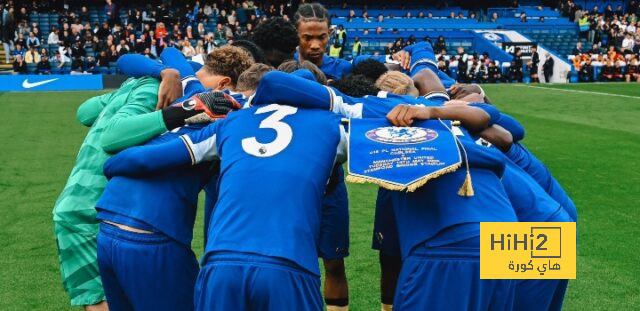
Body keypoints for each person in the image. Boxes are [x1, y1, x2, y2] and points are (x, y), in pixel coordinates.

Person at [104, 72, 347, 311]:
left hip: (222, 262)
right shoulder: (334, 126)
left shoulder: (232, 121)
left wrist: (110, 167)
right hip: (288, 262)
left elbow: (141, 160)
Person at [95, 89, 241, 311]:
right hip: (151, 232)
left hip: (109, 225)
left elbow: (170, 58)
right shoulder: (233, 121)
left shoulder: (194, 92)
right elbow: (138, 161)